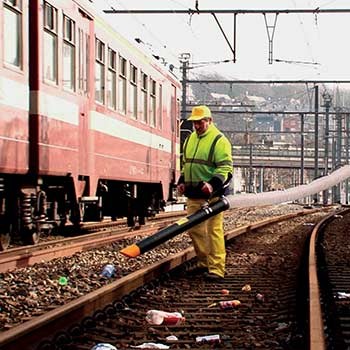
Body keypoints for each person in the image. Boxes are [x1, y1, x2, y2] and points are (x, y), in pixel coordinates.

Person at [177, 105, 233, 281]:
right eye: (194, 122)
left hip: (212, 195)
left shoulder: (219, 140)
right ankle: (204, 263)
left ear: (209, 121)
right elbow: (186, 164)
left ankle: (217, 269)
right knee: (195, 230)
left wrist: (212, 185)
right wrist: (181, 182)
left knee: (213, 231)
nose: (197, 126)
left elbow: (225, 168)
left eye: (200, 122)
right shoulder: (190, 139)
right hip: (194, 193)